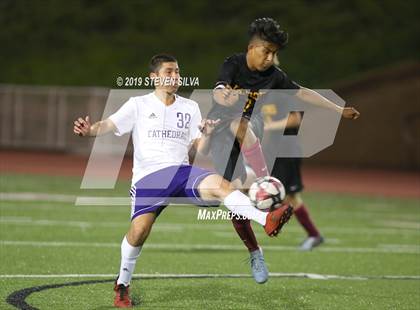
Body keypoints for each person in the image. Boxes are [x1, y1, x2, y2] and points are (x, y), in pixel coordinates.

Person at [73, 54, 293, 308]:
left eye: (177, 72)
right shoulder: (137, 104)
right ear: (154, 77)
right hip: (149, 179)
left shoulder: (189, 108)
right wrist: (89, 130)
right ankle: (122, 284)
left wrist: (207, 135)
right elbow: (108, 124)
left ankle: (267, 219)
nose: (175, 77)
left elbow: (201, 148)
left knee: (223, 186)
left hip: (182, 173)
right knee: (138, 233)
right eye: (169, 72)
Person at [207, 17, 360, 284]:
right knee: (235, 202)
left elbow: (303, 93)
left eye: (274, 53)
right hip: (220, 132)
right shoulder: (233, 63)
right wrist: (225, 96)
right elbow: (220, 90)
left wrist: (338, 109)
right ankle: (256, 252)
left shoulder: (274, 77)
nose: (270, 58)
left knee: (240, 124)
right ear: (251, 47)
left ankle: (266, 179)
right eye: (266, 51)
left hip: (246, 127)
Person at [263, 106, 324, 250]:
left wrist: (270, 126)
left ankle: (314, 235)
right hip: (275, 152)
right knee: (277, 194)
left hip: (287, 152)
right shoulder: (264, 96)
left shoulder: (283, 93)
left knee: (290, 197)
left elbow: (295, 119)